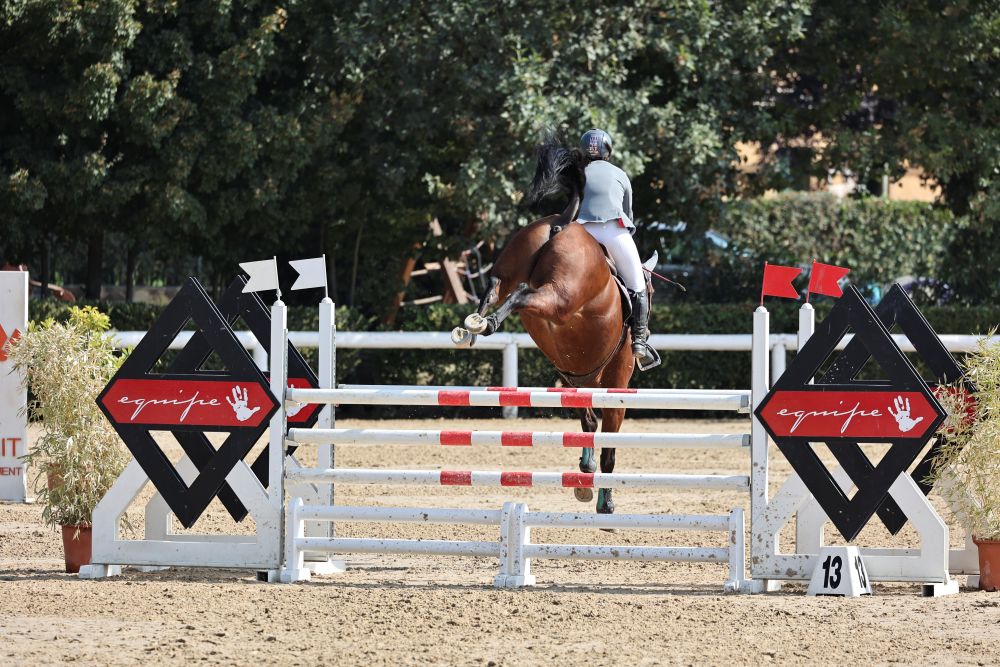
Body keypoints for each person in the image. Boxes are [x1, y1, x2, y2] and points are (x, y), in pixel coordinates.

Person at [574, 128, 658, 370]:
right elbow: (629, 215)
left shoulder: (577, 173)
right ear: (608, 152)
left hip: (580, 232)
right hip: (613, 231)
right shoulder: (619, 173)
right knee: (638, 284)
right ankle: (639, 342)